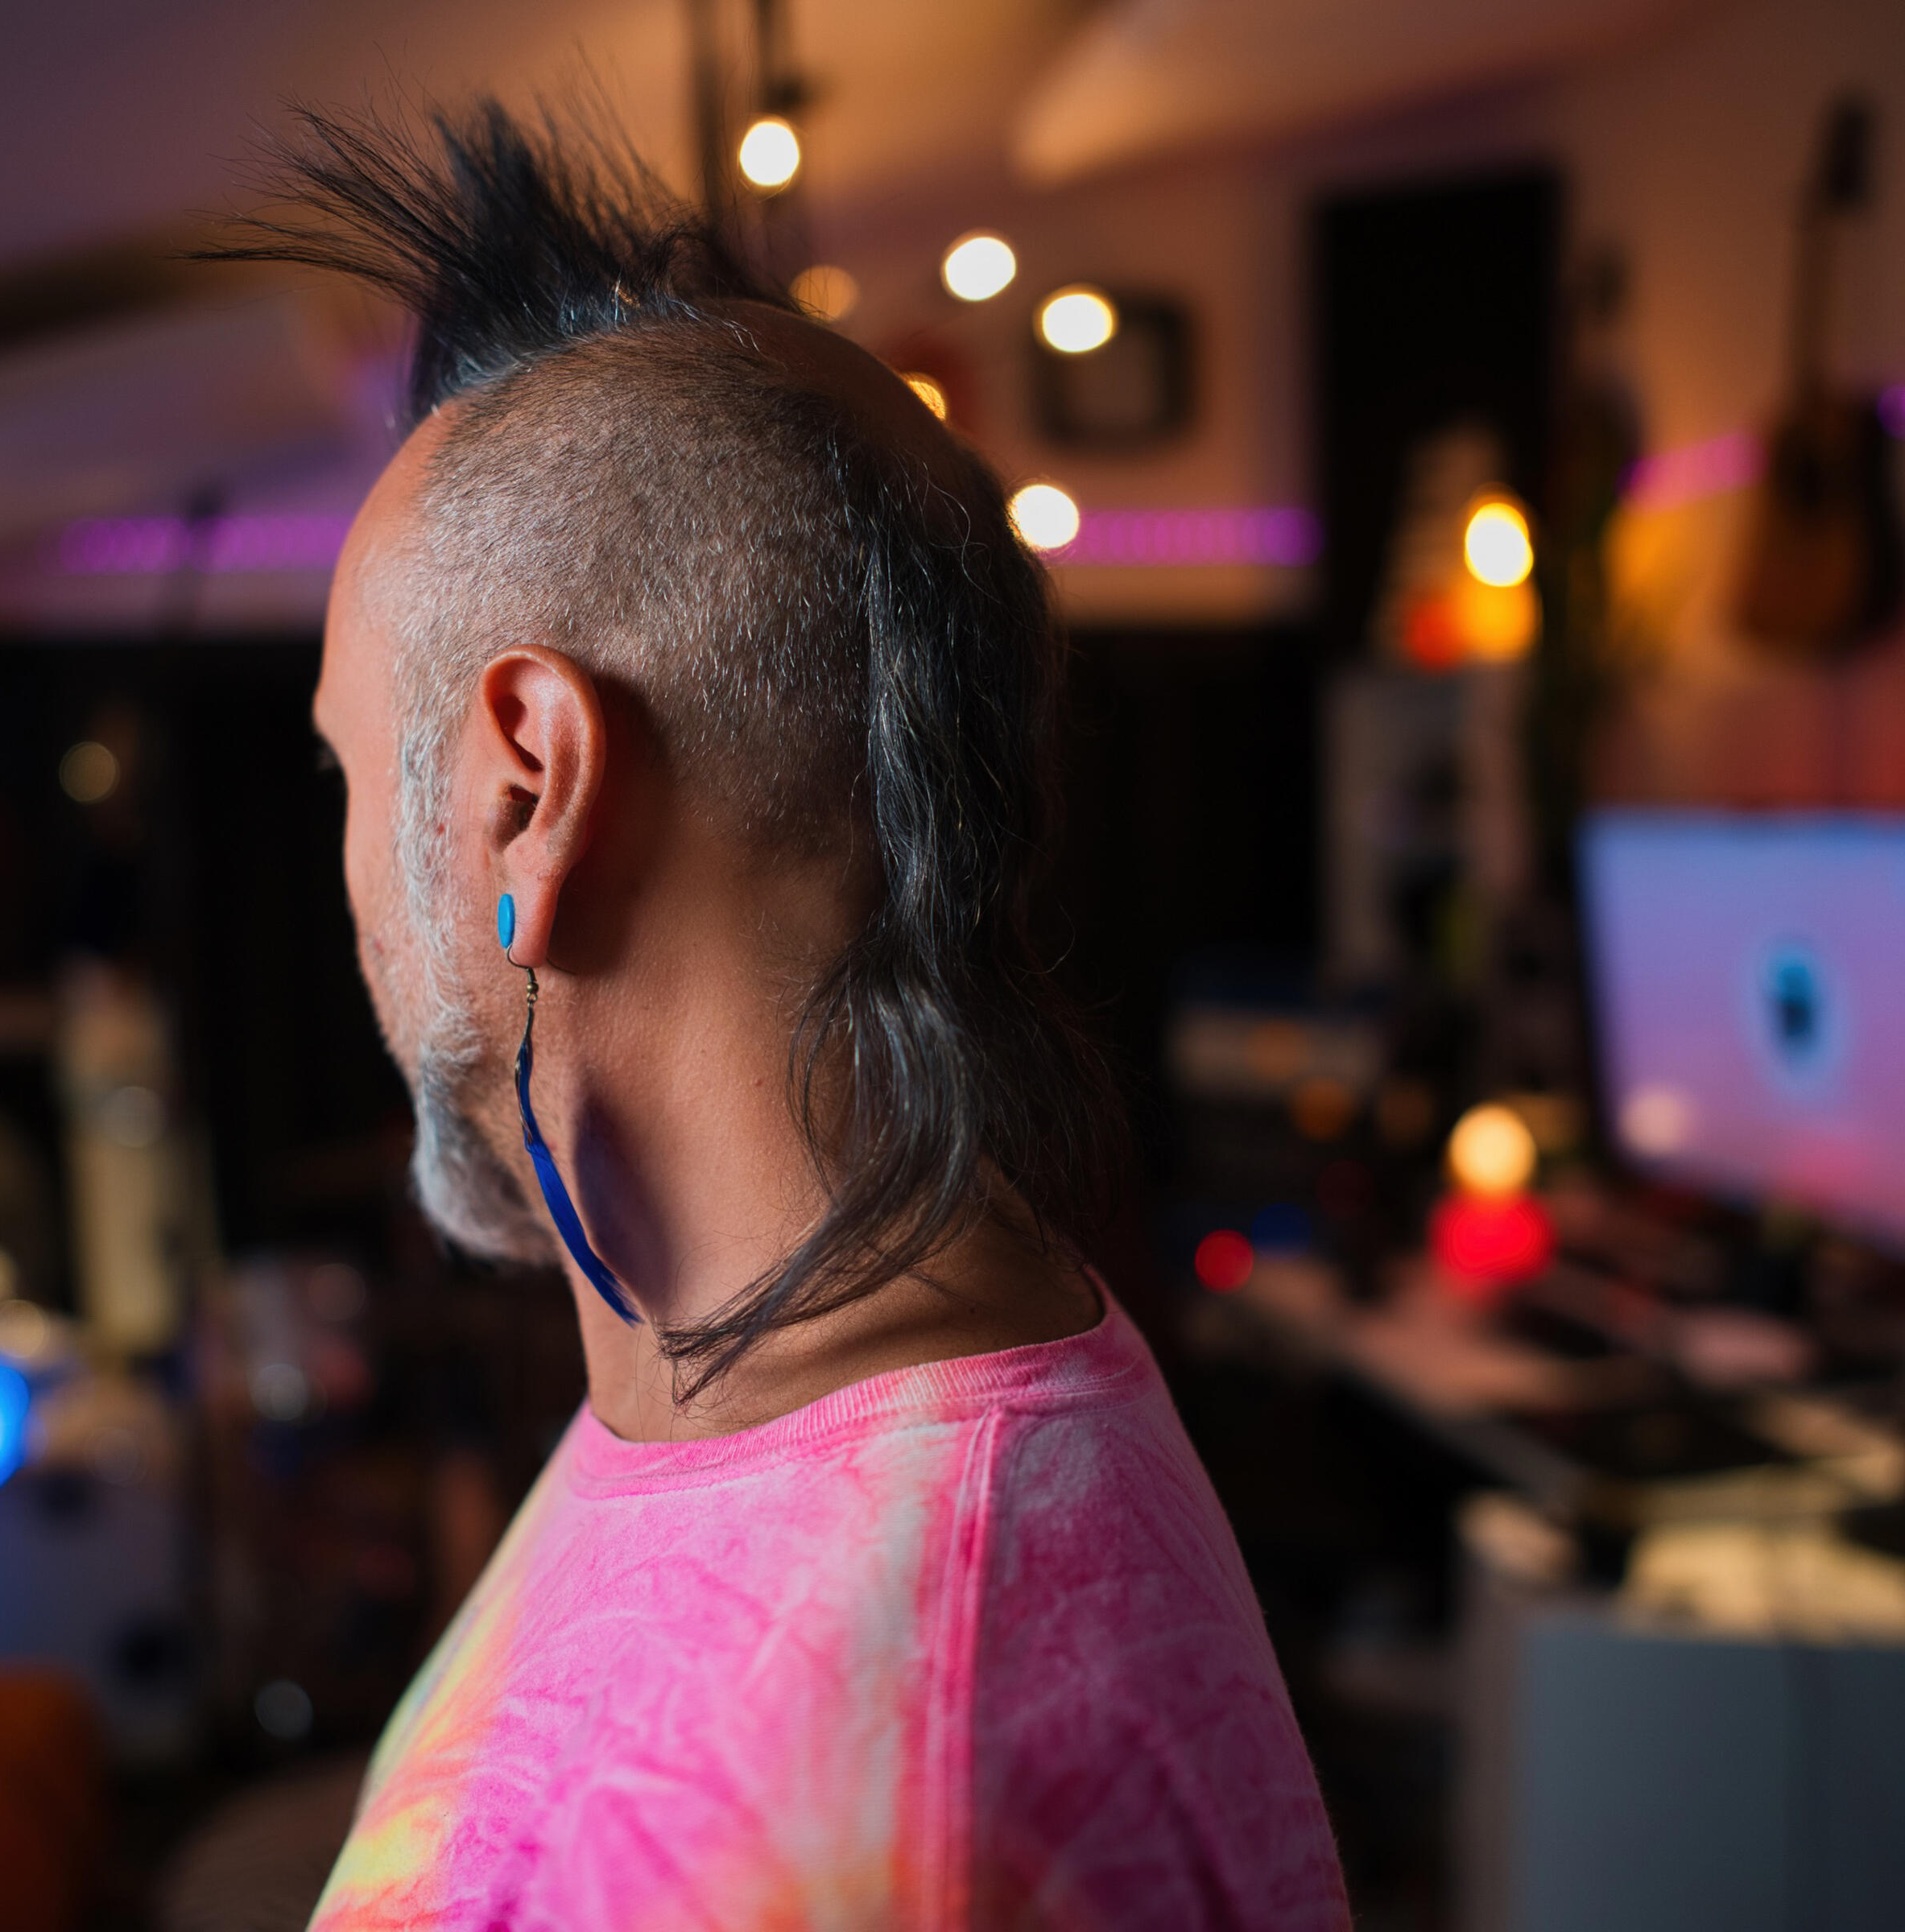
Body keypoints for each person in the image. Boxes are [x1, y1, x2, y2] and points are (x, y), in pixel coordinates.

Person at [219, 101, 1348, 1931]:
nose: (349, 882)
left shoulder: (885, 1829)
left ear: (527, 787)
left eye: (353, 771)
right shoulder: (736, 1361)